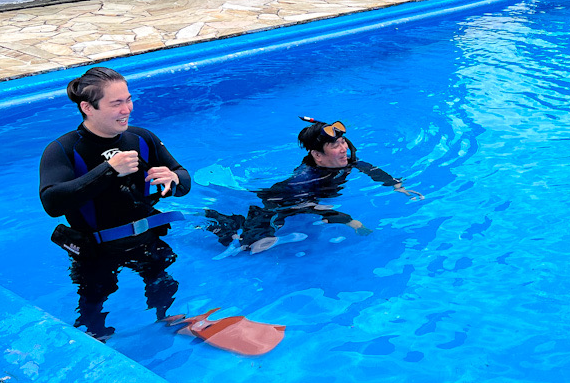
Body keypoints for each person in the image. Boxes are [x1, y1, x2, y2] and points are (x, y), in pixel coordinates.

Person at [38, 67, 191, 340]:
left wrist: (172, 178)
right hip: (95, 248)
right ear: (88, 107)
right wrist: (108, 169)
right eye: (116, 103)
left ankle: (167, 319)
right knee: (94, 299)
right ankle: (95, 336)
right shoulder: (63, 149)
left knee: (163, 282)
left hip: (145, 237)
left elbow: (184, 179)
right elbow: (52, 203)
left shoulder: (142, 138)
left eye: (128, 100)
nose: (127, 109)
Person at [205, 117, 423, 254]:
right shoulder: (307, 178)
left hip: (297, 198)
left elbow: (368, 168)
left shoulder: (345, 161)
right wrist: (351, 222)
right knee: (247, 247)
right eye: (336, 145)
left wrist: (397, 186)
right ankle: (216, 221)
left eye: (343, 143)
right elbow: (308, 205)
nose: (343, 149)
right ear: (318, 156)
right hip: (279, 202)